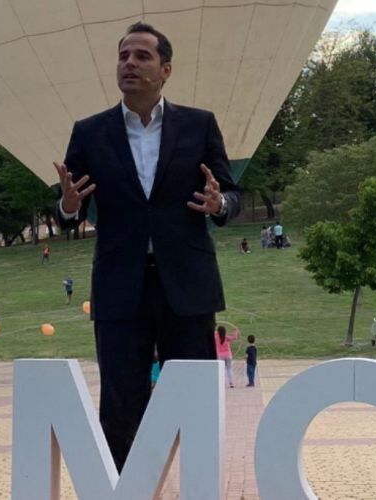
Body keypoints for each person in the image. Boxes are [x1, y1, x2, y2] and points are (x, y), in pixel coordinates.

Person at [53, 21, 240, 469]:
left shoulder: (199, 125)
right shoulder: (90, 131)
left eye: (142, 56)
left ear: (166, 69)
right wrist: (67, 205)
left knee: (193, 403)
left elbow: (233, 195)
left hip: (187, 286)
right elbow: (65, 208)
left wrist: (219, 204)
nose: (130, 64)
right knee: (120, 406)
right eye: (123, 56)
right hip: (121, 288)